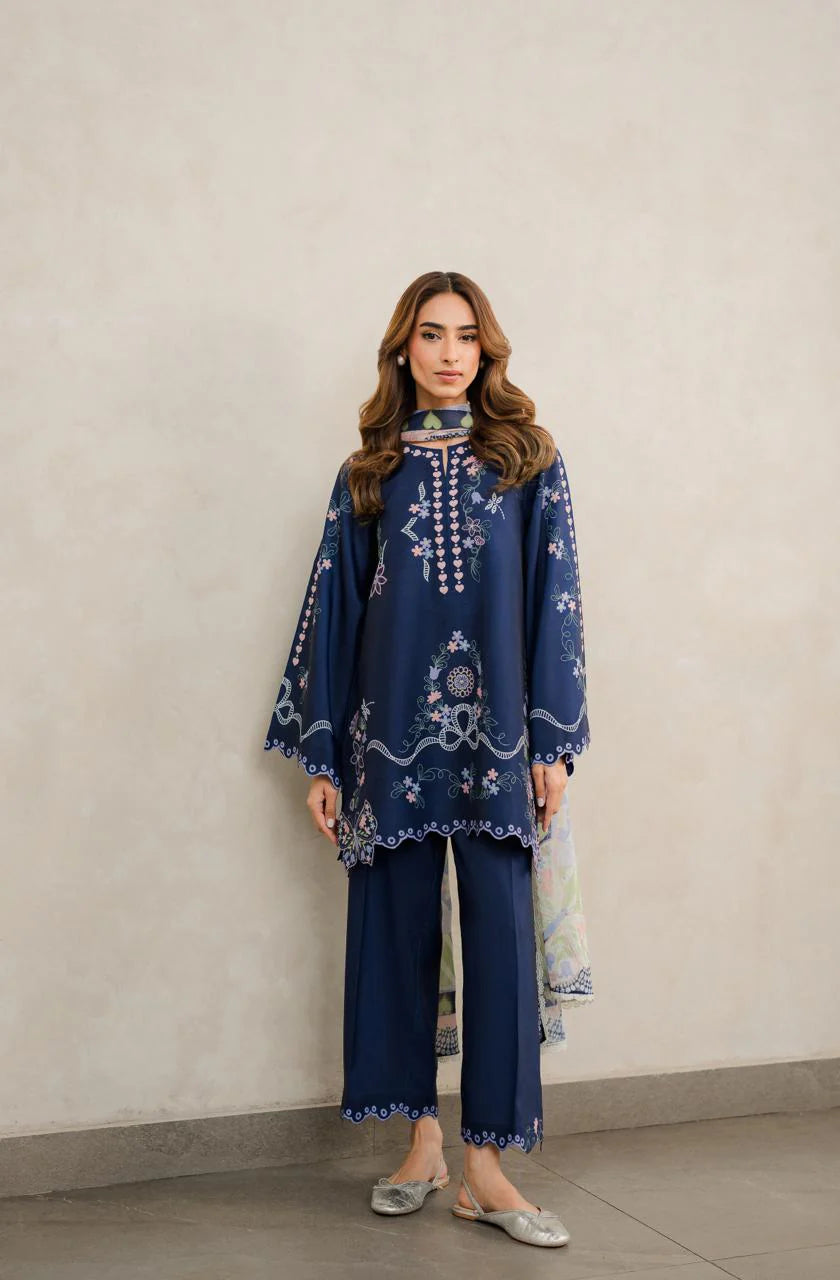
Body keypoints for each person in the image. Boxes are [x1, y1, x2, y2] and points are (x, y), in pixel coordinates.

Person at [264, 270, 591, 1249]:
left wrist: (552, 740)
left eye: (466, 336)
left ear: (486, 351)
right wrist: (324, 756)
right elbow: (333, 614)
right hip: (387, 741)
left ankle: (486, 1168)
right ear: (402, 350)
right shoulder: (367, 473)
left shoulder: (527, 461)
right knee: (394, 937)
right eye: (431, 335)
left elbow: (557, 599)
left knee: (499, 943)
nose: (450, 353)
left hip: (498, 742)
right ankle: (421, 1146)